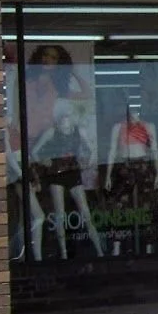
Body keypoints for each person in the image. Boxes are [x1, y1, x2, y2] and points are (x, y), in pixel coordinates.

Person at [31, 104, 105, 259]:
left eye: (69, 115)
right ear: (60, 118)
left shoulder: (79, 131)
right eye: (65, 116)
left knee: (85, 213)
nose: (67, 119)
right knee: (60, 214)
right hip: (57, 174)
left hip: (73, 172)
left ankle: (99, 251)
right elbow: (34, 152)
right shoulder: (52, 132)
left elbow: (92, 149)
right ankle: (64, 253)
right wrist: (43, 161)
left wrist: (88, 163)